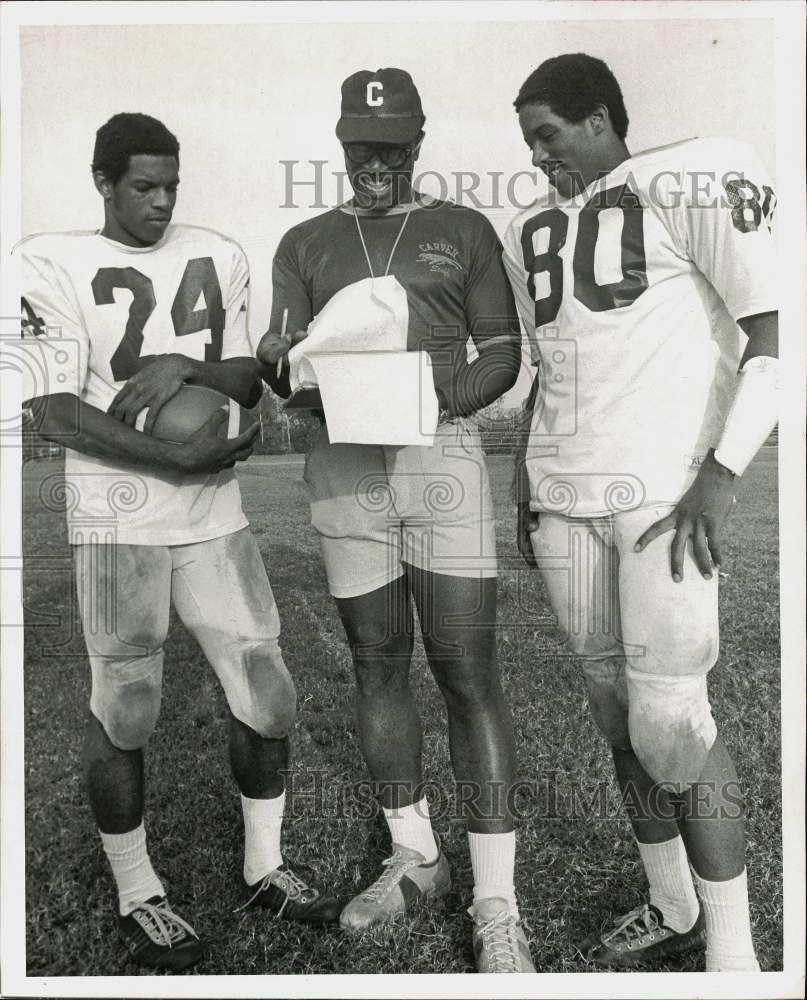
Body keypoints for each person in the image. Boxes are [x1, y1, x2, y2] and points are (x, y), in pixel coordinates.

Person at [18, 113, 340, 973]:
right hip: (119, 515)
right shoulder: (46, 261)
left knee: (269, 693)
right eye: (142, 187)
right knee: (126, 707)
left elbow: (248, 376)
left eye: (171, 185)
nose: (161, 203)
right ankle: (137, 890)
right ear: (103, 183)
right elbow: (46, 407)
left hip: (214, 516)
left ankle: (263, 865)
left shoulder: (218, 251)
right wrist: (172, 452)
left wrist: (182, 369)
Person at [502, 53, 777, 972]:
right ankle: (670, 904)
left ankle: (733, 960)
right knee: (615, 714)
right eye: (527, 141)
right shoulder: (535, 225)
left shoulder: (681, 180)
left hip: (660, 498)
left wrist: (720, 474)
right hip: (562, 496)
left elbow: (773, 336)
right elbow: (554, 364)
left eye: (548, 135)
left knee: (672, 722)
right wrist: (522, 476)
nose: (538, 157)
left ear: (599, 118)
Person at [258, 69, 535, 973]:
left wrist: (420, 399)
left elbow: (502, 356)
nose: (371, 161)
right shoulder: (303, 241)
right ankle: (415, 853)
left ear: (417, 144)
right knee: (376, 660)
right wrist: (275, 362)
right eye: (357, 145)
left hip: (439, 456)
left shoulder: (460, 229)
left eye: (389, 145)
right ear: (339, 145)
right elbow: (287, 357)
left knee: (463, 666)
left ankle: (496, 898)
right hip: (343, 464)